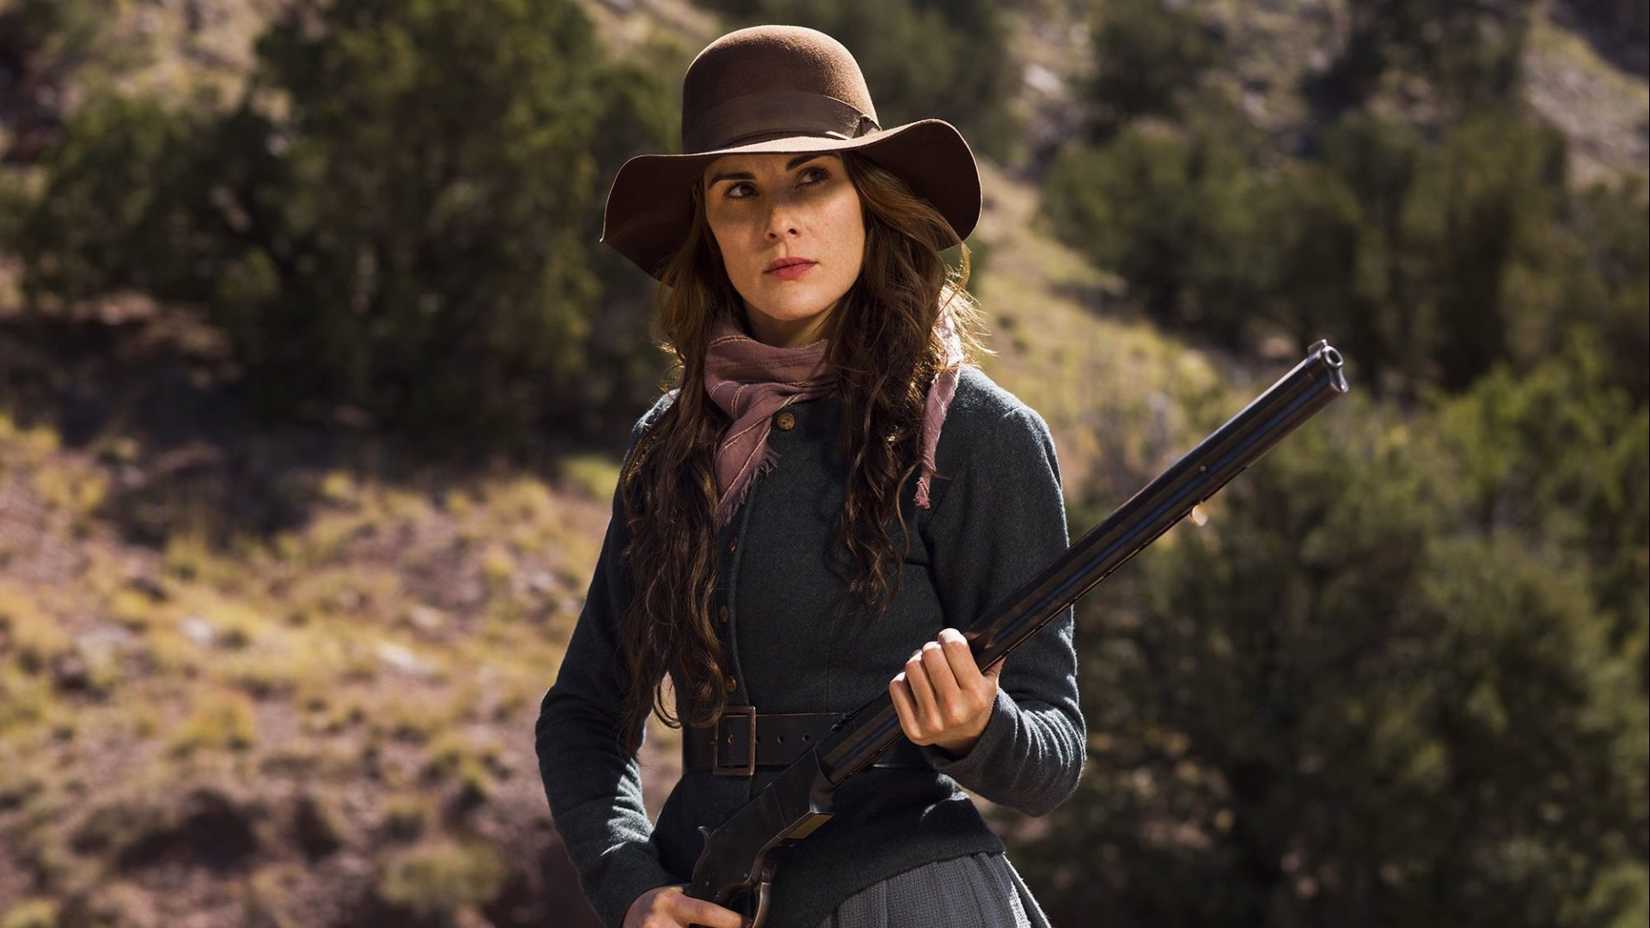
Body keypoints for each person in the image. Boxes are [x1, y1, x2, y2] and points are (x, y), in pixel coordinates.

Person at [536, 24, 1085, 928]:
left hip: (910, 898)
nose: (777, 220)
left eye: (812, 178)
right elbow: (585, 716)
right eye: (738, 189)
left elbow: (1052, 756)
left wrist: (978, 727)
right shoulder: (666, 448)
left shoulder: (979, 435)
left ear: (869, 201)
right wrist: (629, 885)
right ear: (706, 226)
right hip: (711, 899)